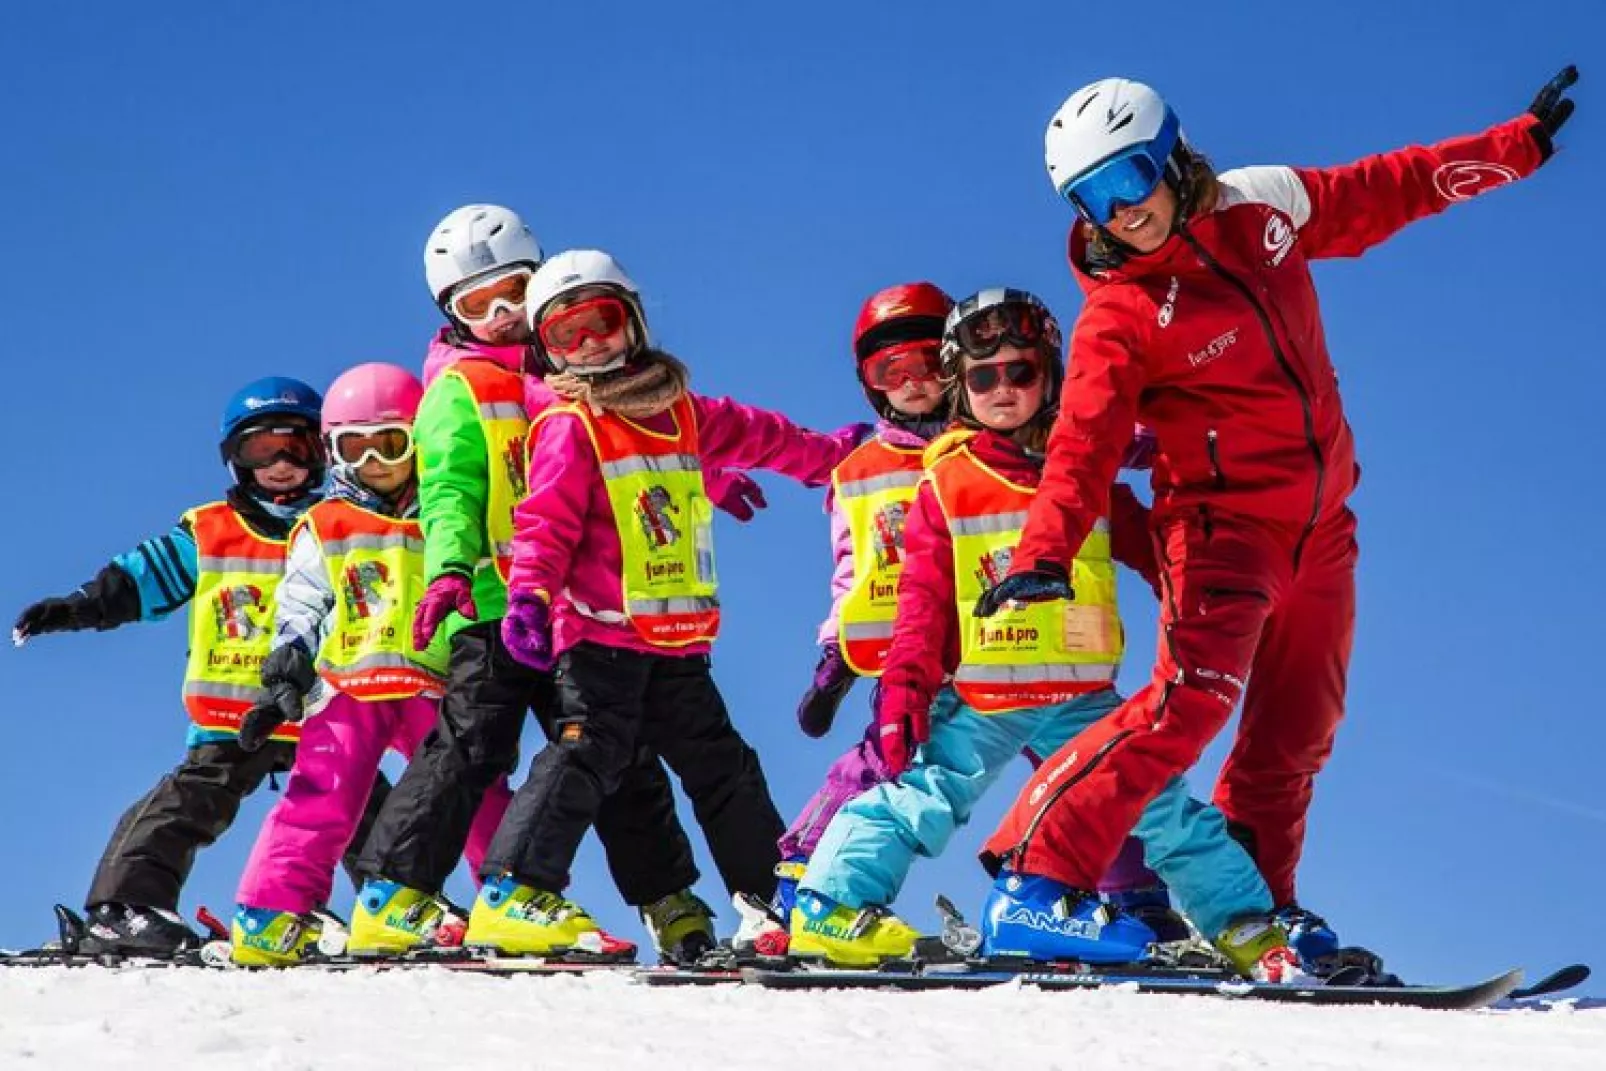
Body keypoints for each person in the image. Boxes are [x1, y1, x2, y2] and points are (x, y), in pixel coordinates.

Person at [976, 69, 1580, 971]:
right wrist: (1047, 548)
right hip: (1221, 531)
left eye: (1130, 179)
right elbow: (1085, 440)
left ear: (1171, 154)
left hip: (1323, 525)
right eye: (1091, 198)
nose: (1120, 210)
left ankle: (1259, 907)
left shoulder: (1264, 208)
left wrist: (1514, 149)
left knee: (1299, 728)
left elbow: (1387, 189)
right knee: (1187, 704)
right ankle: (1033, 882)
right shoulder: (1120, 314)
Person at [788, 290, 1296, 981]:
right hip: (986, 695)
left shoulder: (1083, 473)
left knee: (1159, 803)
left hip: (1083, 696)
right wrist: (903, 694)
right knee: (922, 794)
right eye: (982, 375)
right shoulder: (948, 481)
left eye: (1019, 372)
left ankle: (1244, 923)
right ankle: (830, 904)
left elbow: (1157, 553)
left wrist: (1218, 605)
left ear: (1050, 377)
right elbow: (923, 602)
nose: (1002, 389)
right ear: (960, 386)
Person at [350, 207, 714, 961]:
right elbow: (448, 489)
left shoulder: (579, 370)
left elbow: (649, 443)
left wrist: (718, 470)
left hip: (576, 609)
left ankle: (667, 899)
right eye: (474, 306)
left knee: (615, 750)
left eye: (510, 293)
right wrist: (449, 568)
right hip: (490, 602)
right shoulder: (460, 388)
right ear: (448, 315)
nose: (498, 316)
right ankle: (392, 893)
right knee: (472, 745)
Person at [473, 248, 855, 956]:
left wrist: (834, 458)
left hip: (674, 641)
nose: (590, 345)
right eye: (567, 335)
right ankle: (512, 890)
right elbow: (545, 521)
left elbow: (760, 433)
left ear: (635, 320)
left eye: (603, 322)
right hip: (596, 639)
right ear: (546, 349)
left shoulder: (680, 411)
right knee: (586, 754)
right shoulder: (569, 424)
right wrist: (528, 595)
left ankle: (773, 900)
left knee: (723, 765)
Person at [12, 378, 388, 957]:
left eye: (297, 447)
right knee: (189, 803)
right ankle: (125, 908)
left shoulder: (347, 525)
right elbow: (141, 579)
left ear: (323, 451)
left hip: (325, 706)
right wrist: (80, 606)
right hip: (233, 712)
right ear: (236, 461)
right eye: (262, 451)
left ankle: (392, 901)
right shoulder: (212, 530)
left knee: (361, 803)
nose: (282, 464)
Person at [230, 364, 517, 965]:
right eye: (352, 449)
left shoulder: (443, 516)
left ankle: (508, 894)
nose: (372, 465)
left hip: (431, 685)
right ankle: (270, 912)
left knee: (472, 788)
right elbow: (302, 601)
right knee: (322, 796)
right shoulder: (328, 523)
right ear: (332, 452)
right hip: (350, 686)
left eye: (390, 445)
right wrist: (285, 671)